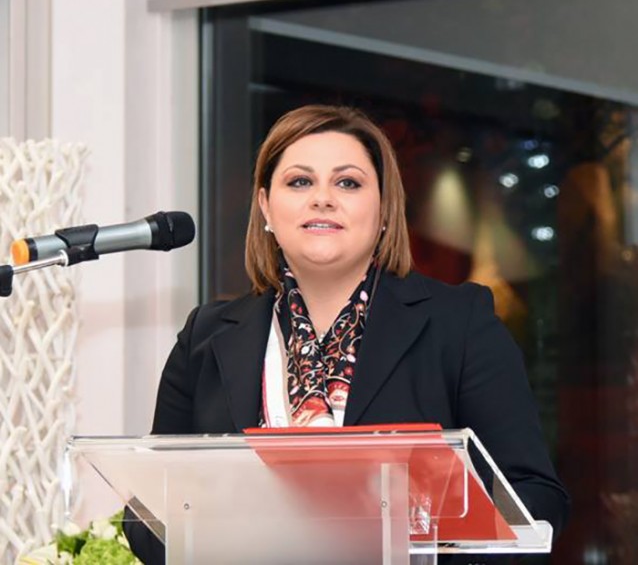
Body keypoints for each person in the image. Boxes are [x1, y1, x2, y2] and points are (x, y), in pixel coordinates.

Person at [124, 104, 569, 564]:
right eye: (300, 182)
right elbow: (146, 514)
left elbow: (534, 497)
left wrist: (425, 545)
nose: (322, 198)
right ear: (266, 207)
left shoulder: (460, 324)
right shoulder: (205, 337)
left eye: (348, 183)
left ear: (384, 209)